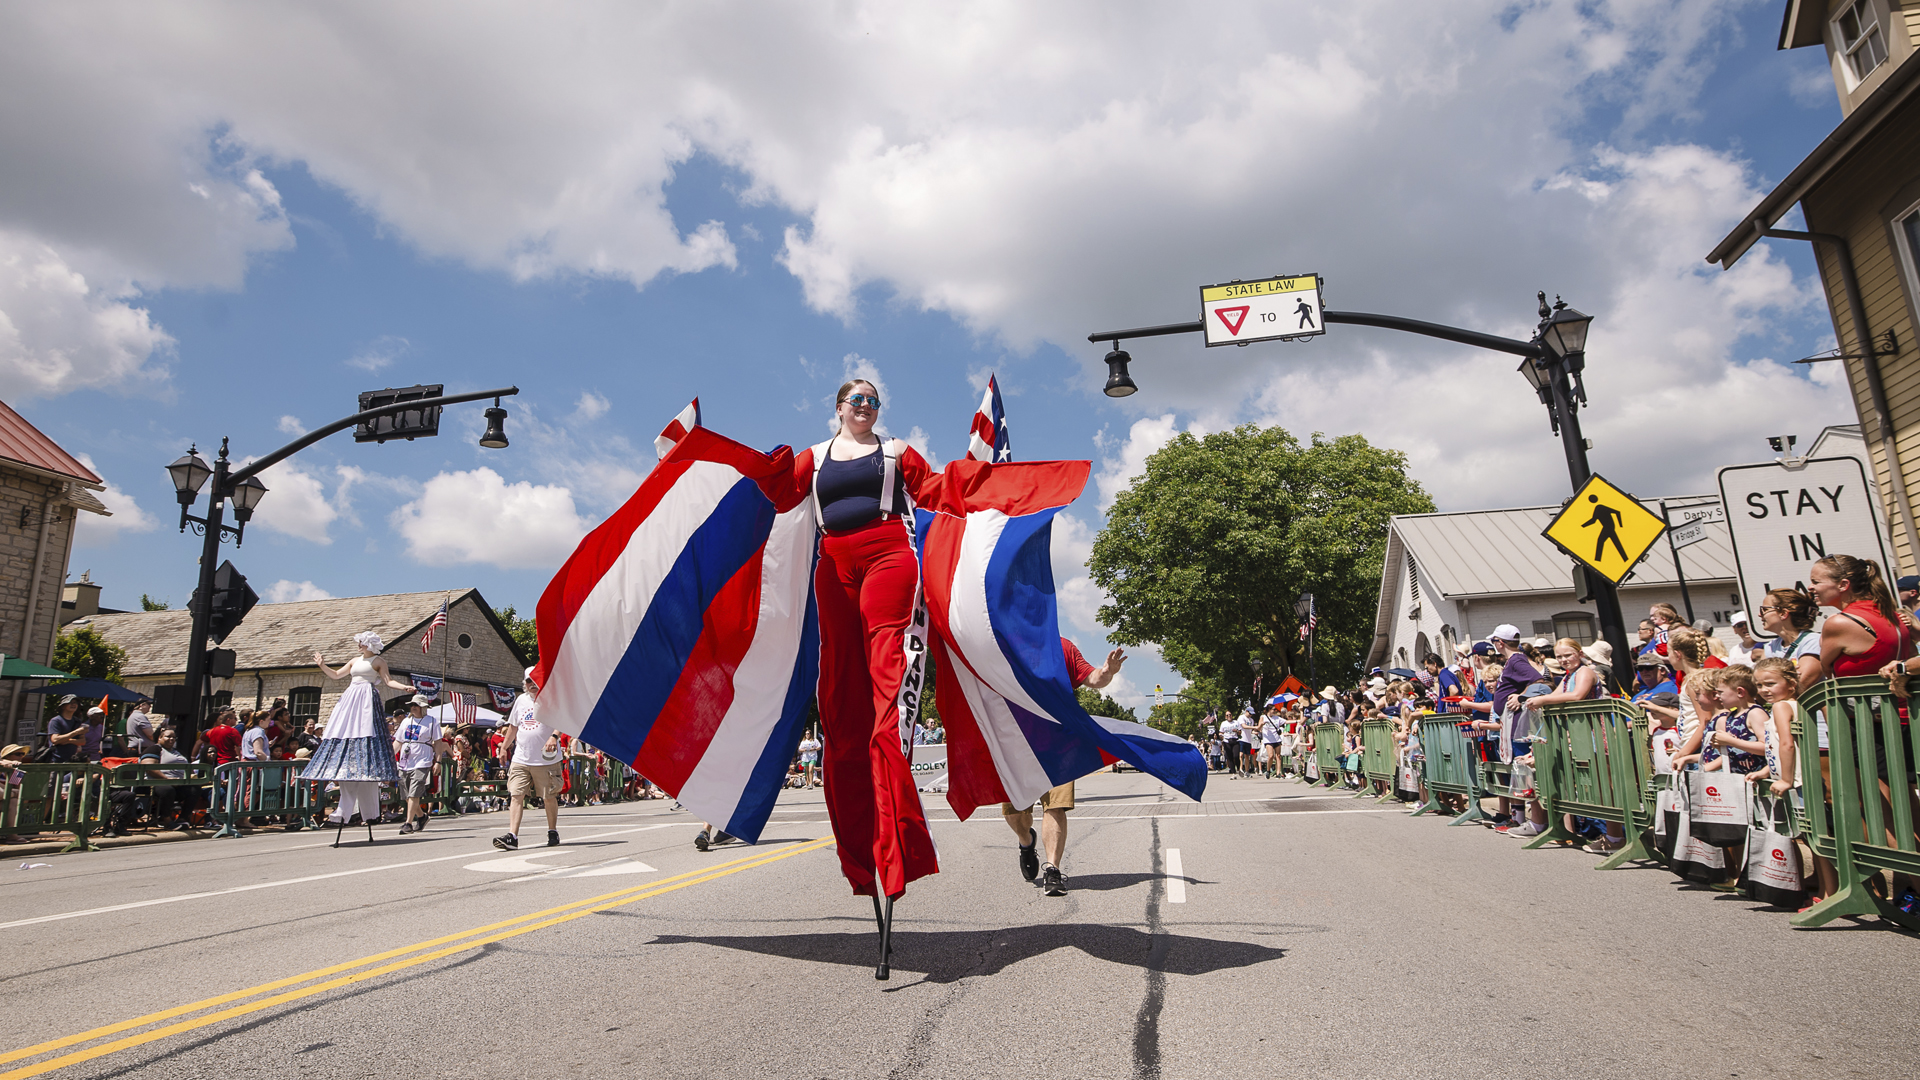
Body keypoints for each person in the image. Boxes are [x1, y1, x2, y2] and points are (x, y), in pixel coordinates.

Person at [793, 379, 942, 904]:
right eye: (856, 400)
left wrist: (986, 484)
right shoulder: (811, 458)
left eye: (873, 401)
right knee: (838, 701)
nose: (865, 407)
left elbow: (939, 492)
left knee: (884, 691)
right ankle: (858, 854)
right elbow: (763, 492)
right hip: (832, 563)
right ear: (837, 409)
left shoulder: (897, 452)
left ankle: (896, 836)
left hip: (888, 555)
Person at [1002, 639, 1125, 896]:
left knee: (1056, 805)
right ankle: (1027, 841)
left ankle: (1052, 870)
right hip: (1015, 741)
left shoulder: (1063, 647)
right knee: (1014, 813)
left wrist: (1107, 671)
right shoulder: (1003, 643)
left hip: (1058, 741)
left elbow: (1092, 678)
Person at [309, 632, 412, 838]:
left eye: (361, 644)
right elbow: (337, 675)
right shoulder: (355, 661)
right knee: (345, 727)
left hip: (366, 695)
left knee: (365, 727)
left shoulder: (378, 661)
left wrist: (405, 687)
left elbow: (388, 681)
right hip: (351, 695)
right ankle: (346, 810)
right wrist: (322, 665)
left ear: (369, 645)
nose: (358, 647)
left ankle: (368, 812)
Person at [496, 668, 563, 850]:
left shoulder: (551, 698)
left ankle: (552, 830)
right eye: (528, 681)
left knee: (549, 796)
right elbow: (513, 726)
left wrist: (554, 737)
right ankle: (512, 836)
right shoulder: (521, 700)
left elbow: (562, 721)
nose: (532, 684)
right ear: (524, 684)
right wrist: (504, 747)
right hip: (521, 757)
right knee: (516, 794)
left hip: (545, 759)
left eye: (535, 680)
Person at [394, 694, 446, 835]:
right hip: (405, 761)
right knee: (406, 796)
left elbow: (438, 743)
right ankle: (422, 817)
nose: (413, 707)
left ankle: (408, 823)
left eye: (416, 705)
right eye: (411, 705)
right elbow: (398, 741)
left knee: (414, 793)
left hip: (422, 761)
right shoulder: (406, 722)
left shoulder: (431, 722)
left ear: (423, 707)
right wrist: (390, 757)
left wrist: (438, 761)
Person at [1757, 587, 1824, 693]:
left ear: (1783, 613)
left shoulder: (1812, 642)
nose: (1760, 614)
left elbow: (1800, 684)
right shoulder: (1770, 646)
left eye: (1765, 610)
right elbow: (1759, 682)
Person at [44, 695, 90, 763]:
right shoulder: (56, 721)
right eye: (70, 702)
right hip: (56, 760)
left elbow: (82, 741)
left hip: (72, 760)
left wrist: (68, 741)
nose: (73, 704)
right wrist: (76, 732)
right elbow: (55, 740)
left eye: (75, 703)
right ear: (63, 706)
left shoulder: (77, 721)